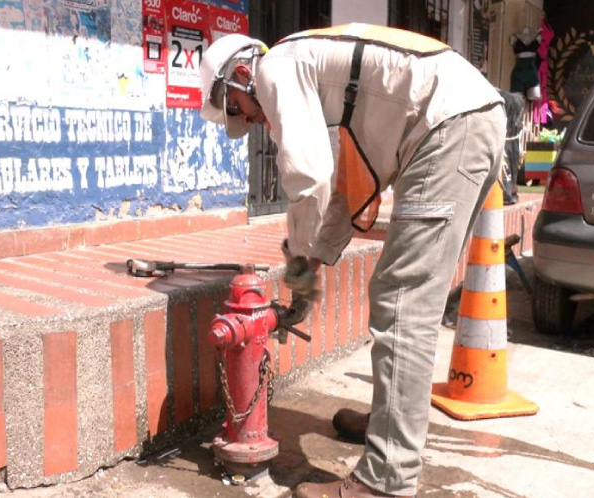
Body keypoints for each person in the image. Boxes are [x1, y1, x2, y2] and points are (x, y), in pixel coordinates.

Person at [199, 24, 506, 498]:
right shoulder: (319, 79)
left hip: (448, 124)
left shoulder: (275, 70)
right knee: (408, 296)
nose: (253, 121)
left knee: (403, 300)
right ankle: (391, 427)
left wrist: (297, 267)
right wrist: (308, 280)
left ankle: (386, 478)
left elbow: (309, 181)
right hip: (466, 118)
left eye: (240, 110)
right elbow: (340, 191)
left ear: (241, 76)